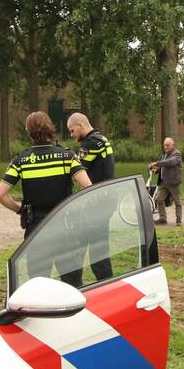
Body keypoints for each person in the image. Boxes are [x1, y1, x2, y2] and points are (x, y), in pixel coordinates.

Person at [0, 112, 92, 285]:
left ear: (28, 131)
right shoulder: (67, 156)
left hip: (36, 229)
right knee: (73, 284)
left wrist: (20, 210)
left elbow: (0, 195)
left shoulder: (21, 160)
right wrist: (76, 206)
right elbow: (88, 186)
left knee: (39, 284)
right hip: (66, 228)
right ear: (50, 128)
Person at [67, 112, 115, 281]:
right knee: (99, 250)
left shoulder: (90, 144)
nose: (72, 136)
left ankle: (106, 288)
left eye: (72, 131)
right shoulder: (101, 139)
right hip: (106, 200)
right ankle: (106, 285)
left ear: (80, 125)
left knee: (96, 256)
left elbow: (80, 173)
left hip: (96, 204)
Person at [150, 137, 183, 226]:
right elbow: (163, 166)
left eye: (168, 145)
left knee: (177, 201)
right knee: (159, 199)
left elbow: (170, 162)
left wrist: (157, 163)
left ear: (172, 145)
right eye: (165, 145)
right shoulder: (164, 154)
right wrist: (156, 170)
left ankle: (179, 221)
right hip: (164, 182)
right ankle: (162, 218)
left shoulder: (177, 154)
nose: (166, 147)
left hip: (174, 182)